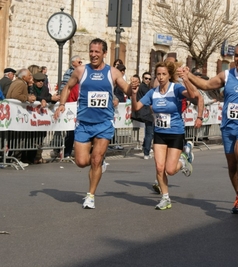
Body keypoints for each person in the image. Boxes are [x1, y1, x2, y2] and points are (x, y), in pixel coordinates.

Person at [179, 42, 238, 214]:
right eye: (236, 55)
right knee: (231, 165)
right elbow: (206, 85)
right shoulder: (227, 75)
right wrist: (188, 75)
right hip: (228, 125)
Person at [54, 38, 136, 209]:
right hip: (84, 123)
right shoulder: (80, 71)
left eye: (97, 52)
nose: (93, 55)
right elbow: (67, 87)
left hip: (104, 123)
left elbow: (126, 89)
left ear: (104, 53)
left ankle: (90, 195)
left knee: (96, 160)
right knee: (82, 162)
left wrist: (134, 88)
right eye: (91, 51)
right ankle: (97, 165)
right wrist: (62, 104)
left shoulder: (112, 72)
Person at [131, 60, 200, 210]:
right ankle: (165, 198)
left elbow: (193, 94)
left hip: (175, 133)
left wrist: (186, 79)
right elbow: (136, 107)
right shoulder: (152, 92)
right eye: (158, 74)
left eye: (164, 74)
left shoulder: (176, 89)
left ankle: (184, 159)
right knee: (159, 167)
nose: (161, 77)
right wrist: (133, 94)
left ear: (169, 76)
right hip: (160, 133)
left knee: (170, 170)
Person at [131, 71, 154, 160]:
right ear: (143, 78)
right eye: (146, 78)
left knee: (149, 132)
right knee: (149, 133)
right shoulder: (145, 88)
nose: (147, 80)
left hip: (141, 112)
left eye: (149, 79)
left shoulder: (143, 87)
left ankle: (145, 148)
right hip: (145, 112)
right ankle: (146, 152)